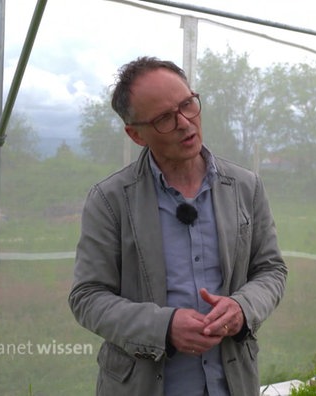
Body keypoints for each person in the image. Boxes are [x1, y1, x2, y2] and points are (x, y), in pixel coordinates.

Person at [68, 56, 287, 396]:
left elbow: (271, 269)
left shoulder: (245, 186)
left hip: (232, 383)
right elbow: (87, 297)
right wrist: (164, 327)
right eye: (164, 119)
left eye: (188, 104)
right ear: (135, 134)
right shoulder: (110, 200)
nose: (185, 123)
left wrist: (242, 308)